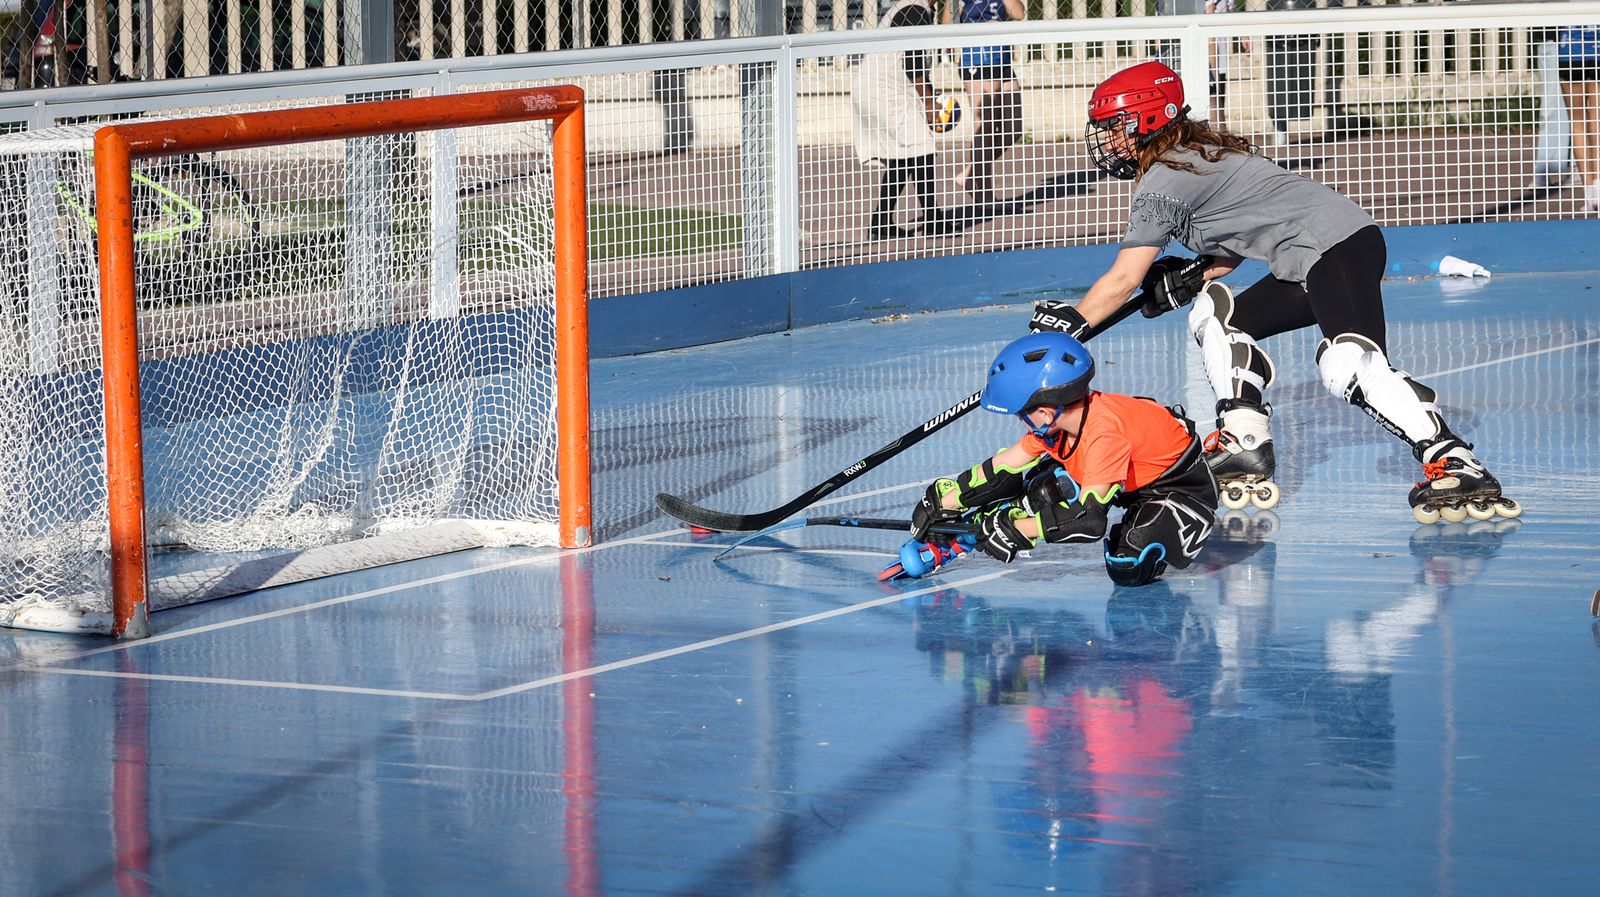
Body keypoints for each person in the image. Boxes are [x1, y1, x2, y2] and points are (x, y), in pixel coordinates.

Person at [1029, 60, 1521, 525]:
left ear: (1153, 118)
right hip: (1313, 254)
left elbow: (1122, 281)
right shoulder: (1196, 157)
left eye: (1118, 126)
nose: (1110, 141)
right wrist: (1193, 276)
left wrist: (1072, 327)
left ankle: (1454, 459)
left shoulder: (1164, 180)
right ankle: (1244, 437)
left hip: (1335, 248)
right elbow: (1242, 240)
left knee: (1347, 363)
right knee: (1219, 318)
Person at [895, 330, 1217, 587]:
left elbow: (1088, 521)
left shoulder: (1103, 437)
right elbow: (1006, 464)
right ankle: (968, 535)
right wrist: (945, 501)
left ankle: (1178, 517)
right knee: (1043, 486)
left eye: (1022, 413)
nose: (1021, 420)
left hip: (1178, 486)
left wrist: (1013, 528)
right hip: (1131, 476)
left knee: (1127, 566)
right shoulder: (1059, 424)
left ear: (1047, 411)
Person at [852, 0, 948, 240]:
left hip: (882, 87)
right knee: (921, 147)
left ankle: (881, 221)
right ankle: (933, 220)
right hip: (884, 90)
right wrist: (927, 103)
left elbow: (916, 66)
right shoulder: (914, 9)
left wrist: (929, 96)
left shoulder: (917, 8)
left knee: (906, 153)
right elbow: (913, 63)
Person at [943, 0, 1026, 206]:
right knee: (985, 126)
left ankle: (971, 172)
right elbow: (946, 25)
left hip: (1002, 59)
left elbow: (1019, 14)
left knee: (1013, 129)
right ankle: (984, 192)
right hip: (978, 60)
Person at [1557, 25, 1600, 211]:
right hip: (1595, 43)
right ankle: (1597, 185)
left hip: (1571, 46)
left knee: (1577, 121)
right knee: (1596, 118)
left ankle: (1591, 192)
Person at [1203, 0, 1248, 130]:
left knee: (1218, 94)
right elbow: (1208, 7)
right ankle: (1215, 130)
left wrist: (1243, 35)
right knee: (1211, 94)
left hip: (1218, 51)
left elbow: (1231, 11)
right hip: (1208, 48)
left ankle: (1218, 130)